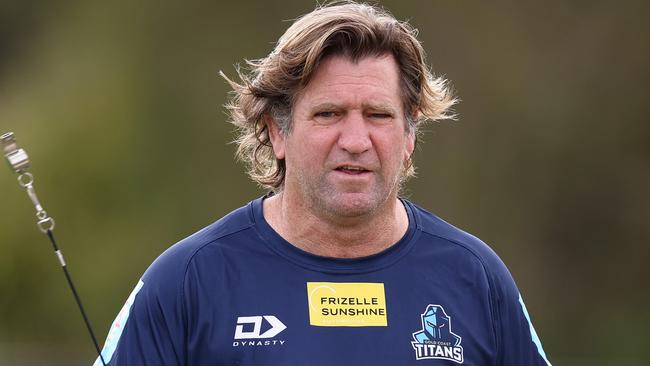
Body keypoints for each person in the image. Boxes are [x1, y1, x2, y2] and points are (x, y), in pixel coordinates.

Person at [94, 2, 552, 365]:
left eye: (378, 115)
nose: (355, 141)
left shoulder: (477, 279)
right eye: (328, 114)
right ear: (277, 131)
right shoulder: (185, 283)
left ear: (410, 134)